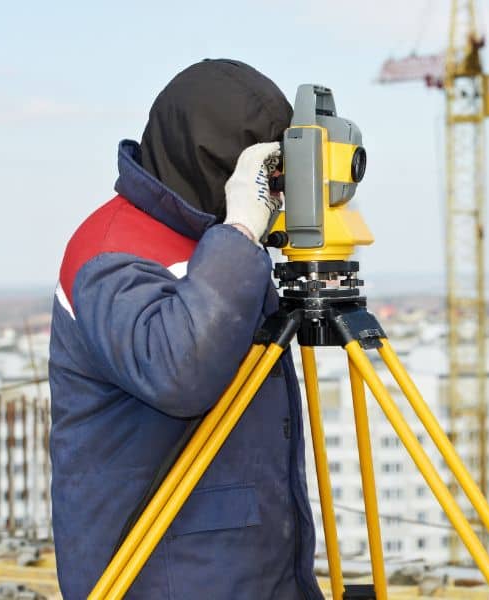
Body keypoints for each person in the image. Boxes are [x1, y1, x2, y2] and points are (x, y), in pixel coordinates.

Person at [48, 59, 324, 599]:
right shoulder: (113, 253)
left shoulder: (214, 241)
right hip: (163, 577)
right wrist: (243, 225)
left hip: (247, 572)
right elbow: (181, 373)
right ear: (218, 164)